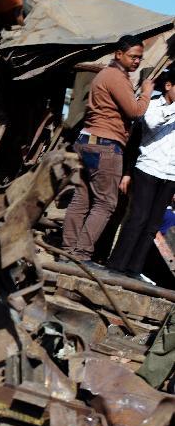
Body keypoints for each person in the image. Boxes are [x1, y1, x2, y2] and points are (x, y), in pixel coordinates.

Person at [62, 35, 155, 264]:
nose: (137, 61)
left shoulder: (107, 74)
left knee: (82, 198)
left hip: (89, 141)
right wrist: (146, 92)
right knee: (105, 203)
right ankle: (81, 254)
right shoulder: (116, 77)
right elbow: (135, 111)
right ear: (119, 54)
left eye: (140, 58)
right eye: (133, 56)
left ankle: (67, 251)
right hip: (105, 145)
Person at [106, 69, 175, 277]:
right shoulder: (153, 105)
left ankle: (133, 269)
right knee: (138, 217)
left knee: (153, 224)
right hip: (148, 168)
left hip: (170, 175)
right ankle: (117, 264)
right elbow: (152, 125)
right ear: (168, 86)